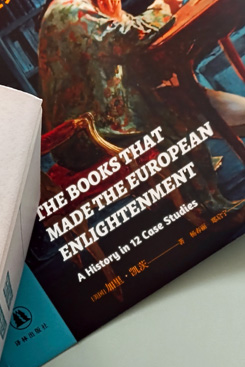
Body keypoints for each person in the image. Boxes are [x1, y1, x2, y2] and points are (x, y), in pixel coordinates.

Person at [38, 0, 245, 212]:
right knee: (174, 113)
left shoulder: (77, 7)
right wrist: (163, 6)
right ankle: (204, 204)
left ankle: (205, 194)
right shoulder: (70, 11)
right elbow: (129, 38)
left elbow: (122, 37)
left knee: (178, 102)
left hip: (106, 113)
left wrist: (118, 16)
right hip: (88, 137)